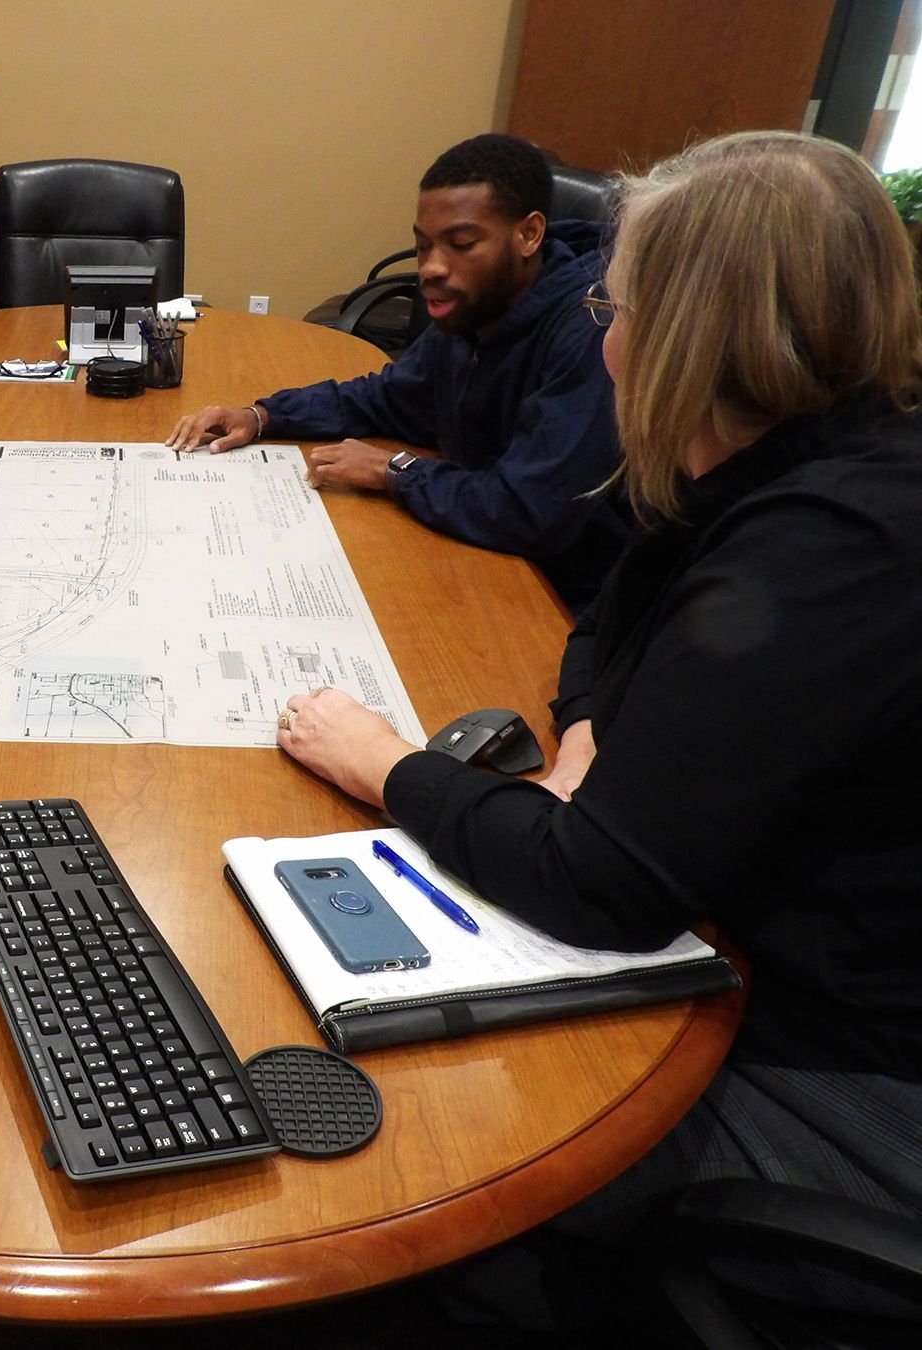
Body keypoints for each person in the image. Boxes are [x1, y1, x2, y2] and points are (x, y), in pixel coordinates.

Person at [276, 131, 922, 1326]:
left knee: (416, 1159)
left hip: (835, 1051)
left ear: (685, 335)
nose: (602, 334)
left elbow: (603, 887)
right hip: (761, 928)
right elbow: (606, 624)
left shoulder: (832, 550)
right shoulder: (760, 463)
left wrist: (389, 769)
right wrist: (582, 738)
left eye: (613, 304)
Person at [167, 133, 630, 610]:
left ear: (529, 235)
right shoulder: (475, 309)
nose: (431, 268)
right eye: (423, 245)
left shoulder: (591, 328)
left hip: (565, 599)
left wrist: (395, 471)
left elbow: (530, 510)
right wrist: (262, 415)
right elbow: (390, 398)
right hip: (475, 553)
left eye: (461, 244)